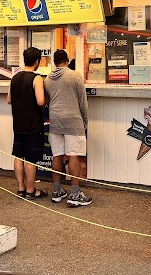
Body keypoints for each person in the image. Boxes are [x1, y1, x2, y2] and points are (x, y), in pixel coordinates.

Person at [44, 50, 92, 207]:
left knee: (57, 155)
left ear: (54, 62)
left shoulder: (47, 79)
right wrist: (84, 121)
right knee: (74, 155)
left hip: (55, 120)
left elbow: (47, 100)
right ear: (67, 60)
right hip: (73, 120)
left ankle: (57, 191)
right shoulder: (75, 76)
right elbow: (82, 102)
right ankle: (75, 194)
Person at [7, 47, 48, 199]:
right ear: (37, 61)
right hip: (33, 124)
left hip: (18, 124)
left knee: (18, 155)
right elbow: (40, 101)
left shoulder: (15, 78)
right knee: (30, 158)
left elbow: (9, 99)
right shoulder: (36, 78)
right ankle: (31, 190)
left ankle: (20, 188)